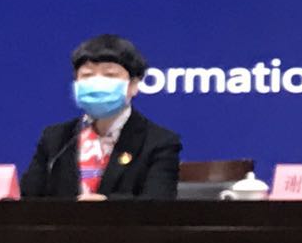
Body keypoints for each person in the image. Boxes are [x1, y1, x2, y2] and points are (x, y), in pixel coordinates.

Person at [20, 34, 181, 200]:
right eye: (87, 75)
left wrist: (106, 206)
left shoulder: (159, 142)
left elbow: (158, 203)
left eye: (109, 75)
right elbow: (28, 199)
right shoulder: (56, 139)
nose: (97, 84)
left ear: (133, 85)